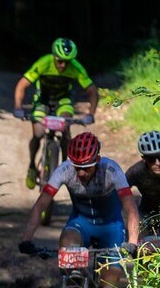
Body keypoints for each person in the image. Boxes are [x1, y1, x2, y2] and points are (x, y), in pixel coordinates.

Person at [19, 131, 139, 288]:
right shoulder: (64, 170)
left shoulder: (112, 170)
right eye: (77, 167)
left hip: (111, 228)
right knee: (68, 250)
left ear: (97, 160)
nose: (81, 173)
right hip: (80, 225)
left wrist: (132, 242)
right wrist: (26, 239)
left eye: (86, 168)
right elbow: (40, 206)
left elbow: (131, 209)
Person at [12, 38, 99, 189]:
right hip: (42, 100)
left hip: (63, 101)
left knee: (65, 127)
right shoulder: (44, 62)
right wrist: (18, 107)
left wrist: (91, 113)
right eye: (60, 61)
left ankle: (67, 165)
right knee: (38, 134)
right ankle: (32, 165)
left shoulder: (76, 67)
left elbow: (92, 91)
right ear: (54, 57)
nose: (63, 65)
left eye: (67, 62)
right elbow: (22, 84)